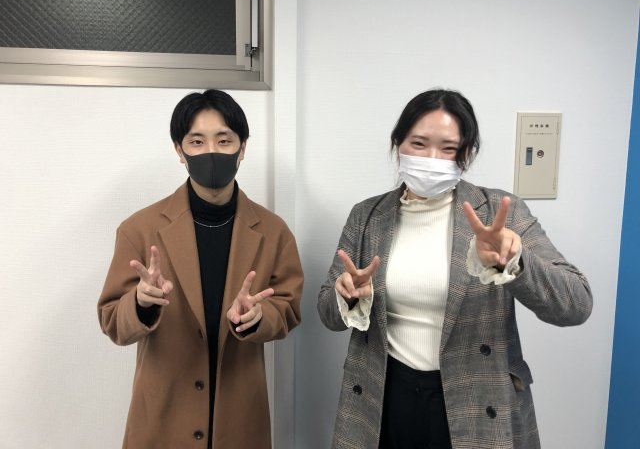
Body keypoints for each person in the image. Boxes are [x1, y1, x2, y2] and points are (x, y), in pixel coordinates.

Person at [317, 89, 592, 449]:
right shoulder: (366, 216)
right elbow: (327, 313)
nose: (432, 159)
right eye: (418, 144)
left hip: (475, 400)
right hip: (382, 396)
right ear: (397, 144)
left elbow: (576, 304)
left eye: (448, 148)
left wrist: (516, 262)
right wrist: (347, 297)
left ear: (466, 154)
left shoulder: (499, 212)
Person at [98, 89, 303, 448]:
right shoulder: (139, 229)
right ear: (180, 151)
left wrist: (259, 316)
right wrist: (141, 303)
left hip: (240, 419)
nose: (211, 152)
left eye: (224, 140)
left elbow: (289, 309)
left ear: (242, 148)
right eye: (197, 141)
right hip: (162, 418)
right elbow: (113, 321)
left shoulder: (274, 232)